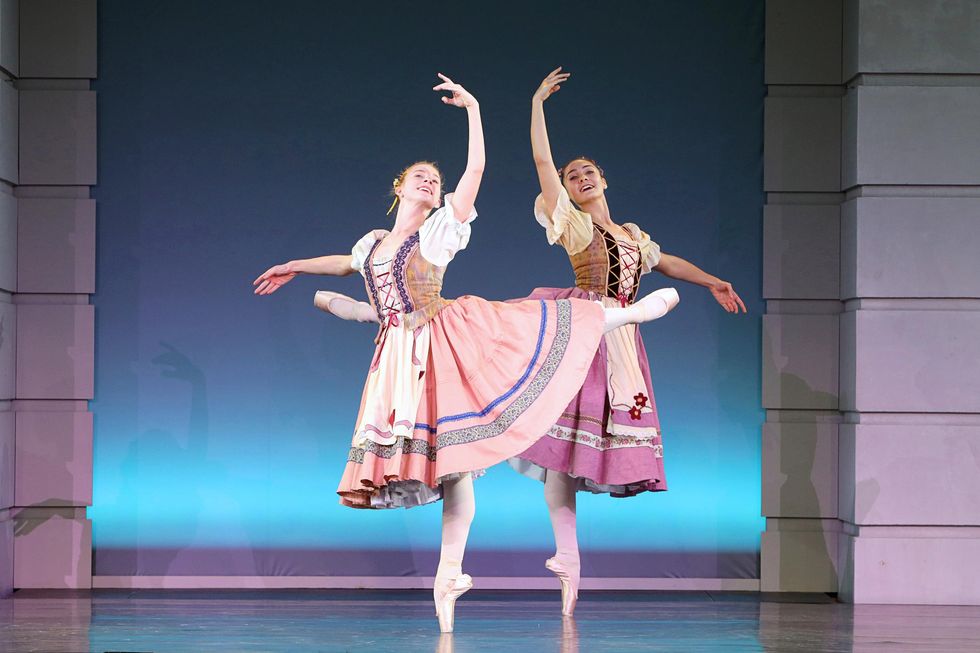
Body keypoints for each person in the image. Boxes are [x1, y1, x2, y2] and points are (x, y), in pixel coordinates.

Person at [253, 74, 679, 631]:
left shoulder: (437, 234)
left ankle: (448, 572)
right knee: (433, 459)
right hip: (394, 359)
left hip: (441, 341)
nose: (431, 183)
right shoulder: (373, 244)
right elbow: (346, 262)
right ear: (399, 188)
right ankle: (452, 576)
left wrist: (475, 110)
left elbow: (474, 172)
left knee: (458, 460)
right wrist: (297, 267)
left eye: (436, 180)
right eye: (421, 178)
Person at [510, 67, 747, 617]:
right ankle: (566, 555)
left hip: (624, 339)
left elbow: (666, 262)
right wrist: (537, 104)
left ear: (605, 180)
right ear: (566, 192)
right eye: (574, 175)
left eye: (589, 171)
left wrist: (712, 280)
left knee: (596, 440)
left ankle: (571, 559)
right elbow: (543, 162)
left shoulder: (634, 235)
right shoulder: (572, 226)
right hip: (586, 330)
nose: (581, 176)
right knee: (561, 454)